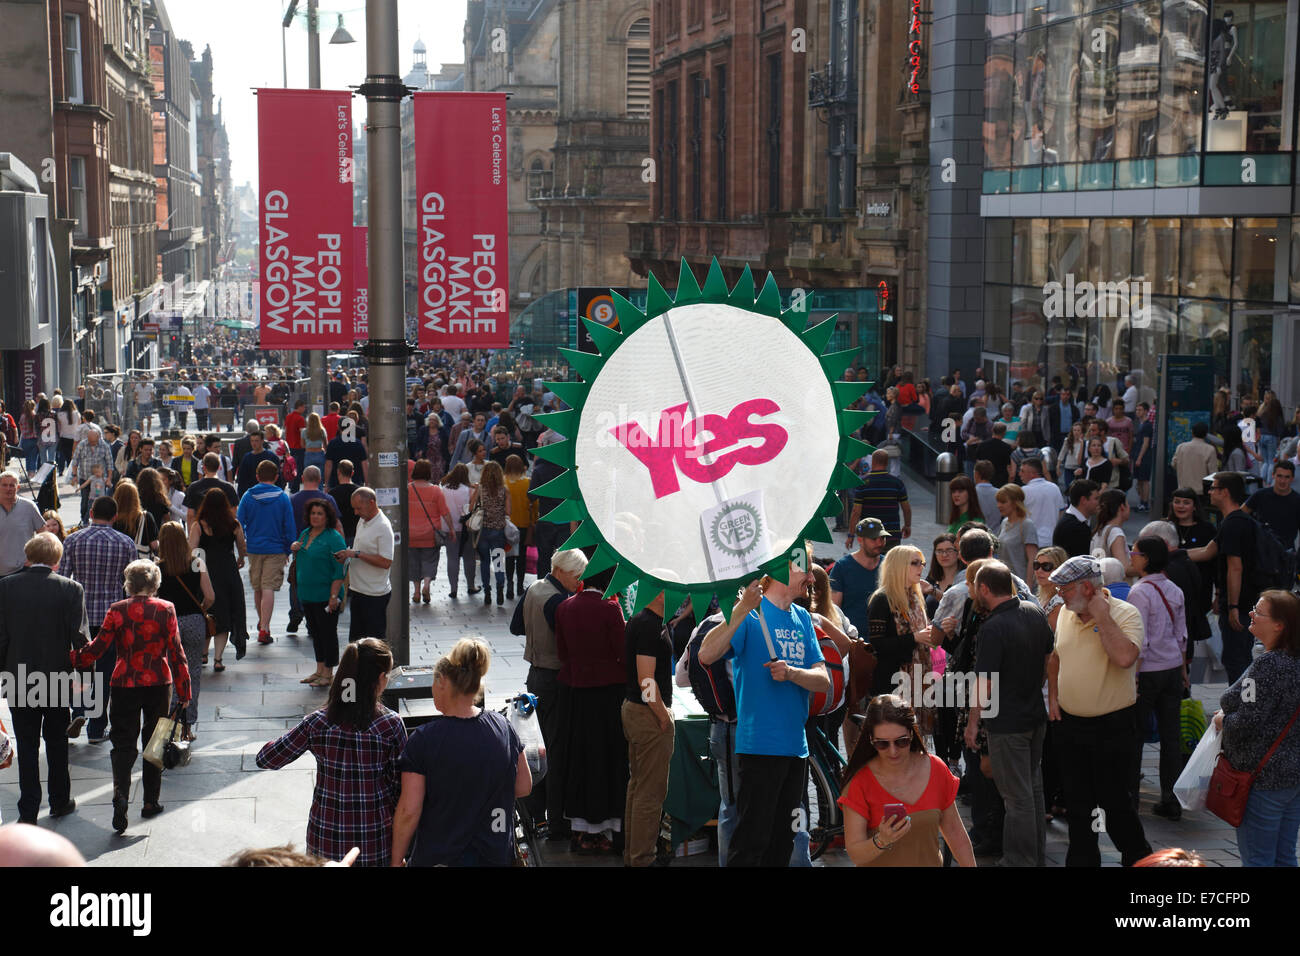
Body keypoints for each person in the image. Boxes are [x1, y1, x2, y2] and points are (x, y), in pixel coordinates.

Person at [698, 562, 829, 867]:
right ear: (782, 571)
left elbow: (823, 679)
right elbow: (706, 654)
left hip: (796, 748)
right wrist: (741, 609)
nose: (812, 578)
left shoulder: (802, 618)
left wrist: (793, 673)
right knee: (751, 842)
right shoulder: (750, 615)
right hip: (759, 747)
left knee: (782, 842)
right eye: (804, 569)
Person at [257, 638, 407, 867]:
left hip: (325, 839)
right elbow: (400, 790)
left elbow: (266, 758)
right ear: (379, 679)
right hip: (375, 838)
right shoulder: (390, 725)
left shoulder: (318, 722)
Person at [1046, 556, 1153, 866]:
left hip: (1112, 727)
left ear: (1087, 588)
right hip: (1069, 725)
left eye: (1063, 588)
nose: (1059, 594)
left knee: (1116, 804)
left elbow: (1124, 658)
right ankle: (1082, 861)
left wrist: (1103, 617)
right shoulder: (1066, 613)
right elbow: (1055, 657)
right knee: (1078, 805)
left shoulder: (1126, 613)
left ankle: (1139, 858)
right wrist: (1053, 698)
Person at [72, 559, 191, 834]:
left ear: (128, 584)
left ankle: (120, 794)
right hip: (159, 682)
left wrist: (72, 657)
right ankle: (150, 801)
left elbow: (98, 648)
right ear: (155, 584)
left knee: (123, 743)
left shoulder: (117, 610)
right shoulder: (166, 609)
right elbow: (176, 652)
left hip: (124, 681)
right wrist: (185, 691)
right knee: (155, 743)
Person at [391, 639, 531, 866]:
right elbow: (523, 786)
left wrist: (396, 859)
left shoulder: (424, 740)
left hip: (441, 856)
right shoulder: (503, 727)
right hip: (494, 855)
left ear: (443, 682)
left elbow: (409, 810)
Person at [961, 561, 1053, 867]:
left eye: (976, 586)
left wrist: (973, 724)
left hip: (1008, 724)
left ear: (985, 589)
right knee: (1033, 791)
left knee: (1017, 797)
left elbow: (984, 685)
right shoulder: (1035, 611)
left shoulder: (993, 628)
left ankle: (1020, 861)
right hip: (1034, 717)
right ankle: (1034, 857)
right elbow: (1048, 658)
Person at [0, 534, 89, 823]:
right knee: (56, 741)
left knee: (26, 744)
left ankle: (28, 810)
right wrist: (86, 685)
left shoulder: (5, 587)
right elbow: (80, 640)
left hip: (18, 677)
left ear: (28, 554)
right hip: (56, 677)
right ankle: (60, 800)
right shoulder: (71, 589)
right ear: (57, 559)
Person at [1212, 590, 1300, 867]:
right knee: (1284, 857)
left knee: (1258, 860)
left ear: (1279, 625)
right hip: (1292, 776)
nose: (1251, 614)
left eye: (1259, 612)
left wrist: (1221, 721)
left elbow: (1245, 723)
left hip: (1260, 778)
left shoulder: (1267, 665)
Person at [837, 694, 975, 867]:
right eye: (883, 744)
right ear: (871, 740)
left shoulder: (936, 768)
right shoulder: (859, 782)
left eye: (901, 741)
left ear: (912, 734)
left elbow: (955, 833)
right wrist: (881, 840)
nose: (893, 751)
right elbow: (855, 853)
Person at [552, 567, 626, 853]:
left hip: (575, 693)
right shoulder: (610, 609)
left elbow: (562, 653)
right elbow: (621, 650)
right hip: (607, 696)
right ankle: (605, 830)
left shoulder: (565, 607)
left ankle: (581, 830)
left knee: (579, 759)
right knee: (607, 760)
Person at [519, 548, 588, 836]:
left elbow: (515, 627)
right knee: (555, 750)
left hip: (534, 675)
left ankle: (537, 814)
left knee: (537, 748)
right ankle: (557, 820)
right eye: (577, 576)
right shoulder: (558, 600)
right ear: (562, 571)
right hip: (555, 678)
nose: (579, 582)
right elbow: (570, 644)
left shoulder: (535, 587)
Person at [1125, 537, 1187, 821]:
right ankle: (1171, 799)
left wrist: (1133, 677)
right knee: (1171, 736)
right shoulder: (1174, 588)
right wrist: (1184, 670)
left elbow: (1141, 640)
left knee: (1134, 735)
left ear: (1147, 558)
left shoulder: (1139, 592)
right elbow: (1181, 634)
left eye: (1135, 552)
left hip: (1148, 670)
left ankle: (1130, 800)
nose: (1131, 556)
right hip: (1173, 667)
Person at [619, 585, 675, 867]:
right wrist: (663, 716)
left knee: (639, 788)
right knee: (649, 794)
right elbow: (646, 681)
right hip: (647, 715)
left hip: (639, 711)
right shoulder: (649, 625)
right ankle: (642, 859)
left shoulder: (647, 621)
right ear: (660, 593)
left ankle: (634, 856)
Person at [1189, 473, 1260, 685]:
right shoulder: (1236, 521)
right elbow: (1207, 551)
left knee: (1236, 662)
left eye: (1214, 488)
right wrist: (1170, 553)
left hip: (1240, 605)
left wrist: (1233, 607)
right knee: (1242, 659)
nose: (1210, 492)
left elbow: (1235, 568)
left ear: (1225, 492)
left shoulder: (1233, 524)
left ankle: (1242, 711)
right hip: (1247, 602)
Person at [156, 521, 215, 735]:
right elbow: (210, 597)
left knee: (169, 673)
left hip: (168, 624)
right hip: (193, 622)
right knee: (192, 673)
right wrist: (200, 608)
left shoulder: (158, 567)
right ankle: (187, 726)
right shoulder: (196, 563)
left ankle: (170, 723)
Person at [190, 487, 249, 666]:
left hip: (206, 571)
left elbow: (192, 550)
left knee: (207, 612)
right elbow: (242, 547)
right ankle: (218, 659)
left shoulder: (199, 525)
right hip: (228, 571)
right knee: (225, 613)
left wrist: (193, 571)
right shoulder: (234, 524)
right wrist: (239, 559)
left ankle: (203, 653)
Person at [343, 487, 394, 641]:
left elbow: (386, 562)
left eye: (359, 508)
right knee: (356, 642)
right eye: (354, 508)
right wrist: (348, 555)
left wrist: (357, 554)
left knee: (374, 644)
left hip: (374, 594)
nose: (356, 513)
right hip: (358, 590)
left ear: (372, 503)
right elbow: (361, 549)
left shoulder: (383, 527)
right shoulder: (363, 520)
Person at [830, 517, 887, 639]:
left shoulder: (889, 565)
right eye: (874, 539)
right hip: (854, 641)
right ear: (860, 540)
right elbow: (834, 610)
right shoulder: (842, 567)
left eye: (882, 538)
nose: (879, 542)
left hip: (885, 640)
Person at [408, 459, 452, 605]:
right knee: (430, 560)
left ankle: (416, 591)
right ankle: (426, 585)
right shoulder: (435, 490)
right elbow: (445, 512)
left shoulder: (407, 489)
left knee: (413, 562)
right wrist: (451, 529)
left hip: (411, 534)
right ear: (429, 473)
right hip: (430, 534)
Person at [847, 449, 911, 549]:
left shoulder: (862, 483)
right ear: (887, 463)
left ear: (872, 462)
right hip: (891, 534)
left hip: (869, 535)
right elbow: (906, 508)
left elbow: (856, 511)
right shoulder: (897, 483)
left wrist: (851, 535)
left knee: (870, 563)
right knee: (890, 563)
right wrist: (907, 525)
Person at [468, 460, 510, 606]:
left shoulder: (480, 489)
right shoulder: (504, 490)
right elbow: (508, 512)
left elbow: (471, 506)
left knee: (485, 562)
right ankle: (500, 587)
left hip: (483, 531)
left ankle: (487, 591)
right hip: (498, 530)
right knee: (498, 562)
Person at [1244, 461, 1300, 551]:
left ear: (1292, 479)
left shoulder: (1297, 501)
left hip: (1285, 554)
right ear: (1273, 475)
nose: (1282, 481)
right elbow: (1239, 515)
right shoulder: (1260, 495)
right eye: (1279, 476)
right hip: (1260, 550)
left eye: (1287, 477)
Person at [439, 463, 476, 596]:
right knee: (469, 558)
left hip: (449, 528)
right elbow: (472, 508)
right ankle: (471, 586)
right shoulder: (468, 489)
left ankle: (453, 589)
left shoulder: (443, 488)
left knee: (452, 558)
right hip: (466, 528)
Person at [68, 426, 115, 526]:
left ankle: (99, 520)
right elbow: (75, 460)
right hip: (85, 478)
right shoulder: (82, 444)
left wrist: (109, 479)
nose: (92, 443)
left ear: (98, 437)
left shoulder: (104, 446)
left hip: (100, 481)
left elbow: (110, 463)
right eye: (90, 441)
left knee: (99, 500)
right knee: (85, 500)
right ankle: (84, 520)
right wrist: (74, 475)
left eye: (94, 441)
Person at [503, 454, 535, 600]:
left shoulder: (503, 483)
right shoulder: (527, 483)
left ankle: (509, 584)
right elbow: (534, 504)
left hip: (507, 525)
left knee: (509, 556)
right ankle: (520, 586)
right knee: (521, 556)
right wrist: (533, 520)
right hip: (523, 523)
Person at [994, 483, 1039, 581]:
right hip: (1003, 582)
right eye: (998, 502)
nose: (999, 505)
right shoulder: (1004, 522)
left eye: (1003, 502)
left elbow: (1033, 560)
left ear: (1015, 503)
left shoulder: (1027, 525)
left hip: (1020, 583)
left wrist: (1028, 586)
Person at [1019, 458, 1063, 548]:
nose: (1019, 474)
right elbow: (1061, 512)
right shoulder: (1054, 487)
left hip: (1031, 543)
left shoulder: (1023, 491)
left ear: (1032, 474)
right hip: (1052, 541)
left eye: (1022, 471)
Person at [1053, 479, 1099, 558]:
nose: (1099, 502)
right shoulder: (1075, 527)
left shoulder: (1073, 522)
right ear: (1083, 500)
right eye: (1096, 498)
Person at [1171, 421, 1219, 492]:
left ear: (1192, 432)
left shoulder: (1181, 447)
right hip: (1201, 491)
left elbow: (1174, 464)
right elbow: (1213, 472)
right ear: (1206, 434)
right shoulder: (1210, 449)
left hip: (1182, 489)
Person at [1090, 488, 1131, 571]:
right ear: (1122, 507)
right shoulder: (1116, 533)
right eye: (1127, 504)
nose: (1129, 507)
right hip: (1114, 583)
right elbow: (1124, 568)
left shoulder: (1100, 531)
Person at [235, 430, 282, 499]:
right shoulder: (247, 457)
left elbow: (278, 478)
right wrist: (242, 496)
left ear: (262, 441)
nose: (254, 443)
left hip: (269, 494)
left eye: (256, 441)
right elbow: (242, 479)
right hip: (252, 495)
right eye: (252, 441)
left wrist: (278, 493)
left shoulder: (271, 457)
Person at [328, 460, 361, 546]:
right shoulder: (360, 492)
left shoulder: (332, 494)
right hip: (357, 535)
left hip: (338, 537)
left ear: (338, 472)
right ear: (352, 473)